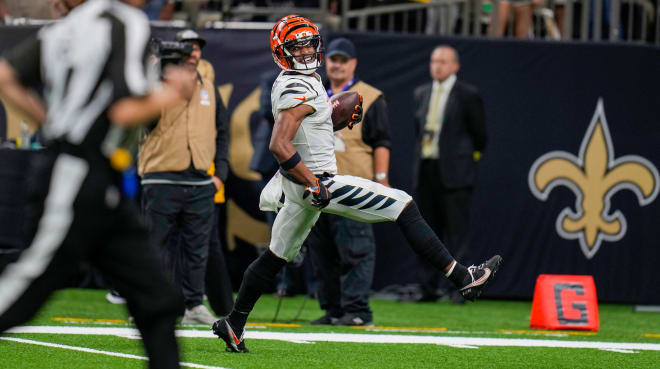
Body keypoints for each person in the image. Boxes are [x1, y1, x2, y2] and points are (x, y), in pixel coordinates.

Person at [211, 14, 501, 354]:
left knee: (276, 256)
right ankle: (464, 278)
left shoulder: (301, 80)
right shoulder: (295, 85)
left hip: (299, 185)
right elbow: (279, 143)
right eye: (297, 46)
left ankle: (234, 322)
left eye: (308, 44)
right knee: (403, 204)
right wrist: (313, 184)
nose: (305, 52)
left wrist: (330, 121)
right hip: (316, 182)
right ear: (281, 51)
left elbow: (304, 133)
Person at [0, 1, 195, 368]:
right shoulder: (125, 22)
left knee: (158, 299)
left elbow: (5, 75)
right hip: (78, 175)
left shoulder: (65, 28)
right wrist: (173, 92)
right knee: (24, 290)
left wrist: (52, 124)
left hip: (93, 176)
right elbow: (123, 110)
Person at [139, 29, 229, 325]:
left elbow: (223, 131)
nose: (192, 52)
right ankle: (151, 301)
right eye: (185, 48)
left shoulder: (209, 87)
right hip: (161, 175)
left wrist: (221, 174)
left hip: (200, 179)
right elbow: (145, 121)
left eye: (196, 48)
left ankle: (193, 304)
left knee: (197, 249)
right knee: (155, 245)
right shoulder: (152, 84)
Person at [306, 37, 391, 327]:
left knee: (356, 249)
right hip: (318, 185)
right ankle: (332, 309)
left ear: (353, 63)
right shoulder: (314, 94)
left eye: (343, 60)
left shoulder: (370, 96)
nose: (337, 65)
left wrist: (382, 179)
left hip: (353, 184)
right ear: (325, 62)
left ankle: (357, 311)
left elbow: (381, 141)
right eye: (333, 59)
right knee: (323, 252)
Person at [412, 46, 487, 303]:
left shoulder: (468, 95)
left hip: (455, 173)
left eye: (443, 62)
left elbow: (480, 136)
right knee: (426, 232)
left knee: (457, 233)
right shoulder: (421, 93)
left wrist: (463, 159)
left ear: (455, 66)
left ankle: (462, 289)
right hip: (427, 169)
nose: (437, 66)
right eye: (434, 61)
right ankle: (427, 288)